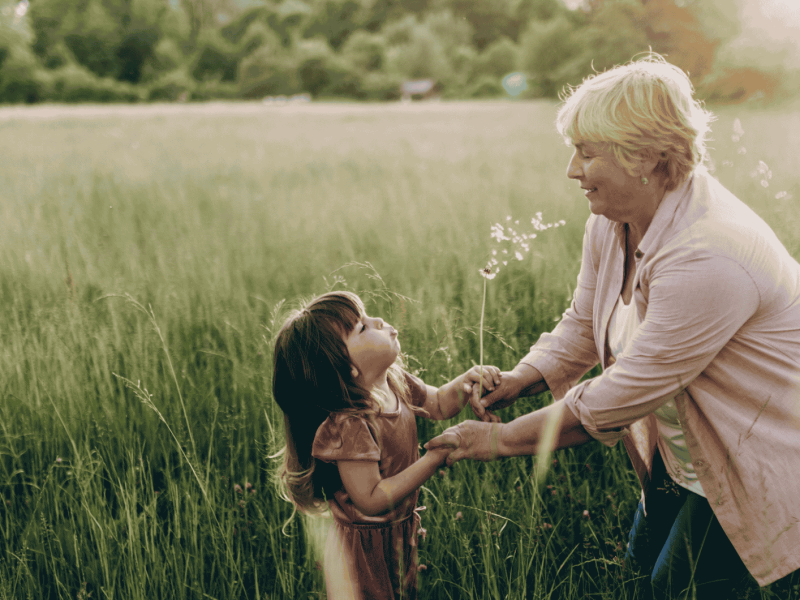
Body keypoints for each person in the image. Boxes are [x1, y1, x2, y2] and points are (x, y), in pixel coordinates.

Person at [426, 54, 800, 599]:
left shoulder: (708, 255)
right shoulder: (614, 221)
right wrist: (522, 379)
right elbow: (583, 322)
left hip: (758, 458)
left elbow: (619, 396)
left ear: (642, 155)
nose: (572, 170)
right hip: (684, 453)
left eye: (586, 152)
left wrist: (500, 439)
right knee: (634, 573)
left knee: (670, 591)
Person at [272, 290, 501, 600]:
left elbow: (437, 403)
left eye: (367, 316)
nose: (378, 320)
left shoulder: (394, 382)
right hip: (362, 551)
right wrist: (433, 459)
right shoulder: (351, 424)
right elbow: (372, 499)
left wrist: (466, 382)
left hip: (397, 531)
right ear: (347, 367)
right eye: (362, 327)